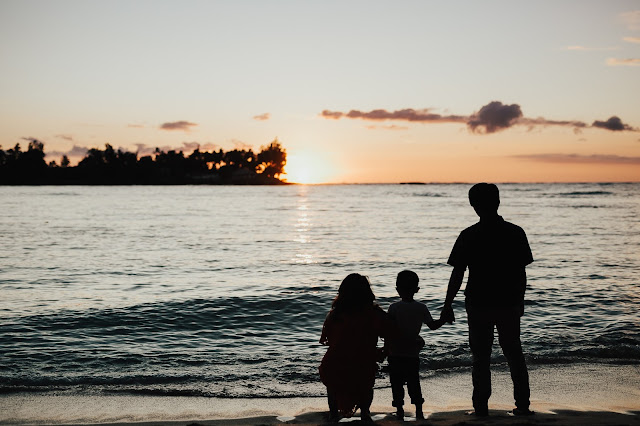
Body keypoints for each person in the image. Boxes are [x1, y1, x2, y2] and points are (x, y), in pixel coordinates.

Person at [442, 183, 534, 417]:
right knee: (513, 352)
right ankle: (522, 405)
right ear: (498, 202)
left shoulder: (469, 235)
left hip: (478, 301)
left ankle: (481, 407)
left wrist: (447, 303)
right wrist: (520, 300)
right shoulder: (515, 232)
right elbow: (520, 272)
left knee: (481, 356)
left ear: (474, 205)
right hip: (508, 300)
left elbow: (458, 272)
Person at [319, 273, 388, 422]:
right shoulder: (374, 314)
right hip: (362, 360)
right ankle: (365, 413)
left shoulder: (335, 314)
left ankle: (333, 413)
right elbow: (390, 332)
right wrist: (384, 351)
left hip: (336, 361)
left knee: (333, 385)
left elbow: (329, 339)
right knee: (365, 385)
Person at [386, 270, 451, 420]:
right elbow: (433, 326)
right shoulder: (421, 307)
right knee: (413, 382)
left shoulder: (394, 308)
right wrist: (444, 318)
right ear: (417, 290)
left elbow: (389, 330)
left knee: (396, 383)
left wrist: (385, 348)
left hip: (395, 352)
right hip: (412, 352)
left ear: (397, 289)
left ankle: (400, 409)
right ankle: (419, 410)